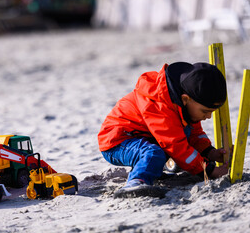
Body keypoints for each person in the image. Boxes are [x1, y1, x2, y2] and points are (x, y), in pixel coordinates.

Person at [98, 62, 229, 198]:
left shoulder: (184, 106)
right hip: (117, 140)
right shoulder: (159, 104)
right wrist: (208, 170)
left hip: (143, 135)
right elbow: (176, 146)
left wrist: (209, 152)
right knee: (153, 153)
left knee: (184, 133)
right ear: (185, 99)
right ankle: (136, 182)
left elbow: (194, 135)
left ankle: (154, 170)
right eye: (205, 111)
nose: (208, 116)